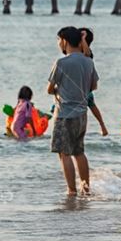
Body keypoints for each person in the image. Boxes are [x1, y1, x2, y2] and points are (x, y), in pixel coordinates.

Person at [47, 26, 98, 196]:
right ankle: (86, 188)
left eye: (58, 40)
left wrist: (58, 90)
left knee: (64, 153)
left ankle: (71, 190)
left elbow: (49, 88)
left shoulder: (61, 62)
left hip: (64, 114)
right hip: (82, 114)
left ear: (65, 41)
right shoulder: (89, 61)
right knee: (79, 152)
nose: (58, 43)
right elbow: (93, 86)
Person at [78, 27, 108, 136]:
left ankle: (102, 125)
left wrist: (83, 38)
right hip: (76, 85)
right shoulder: (73, 51)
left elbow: (86, 53)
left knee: (91, 104)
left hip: (85, 86)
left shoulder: (88, 53)